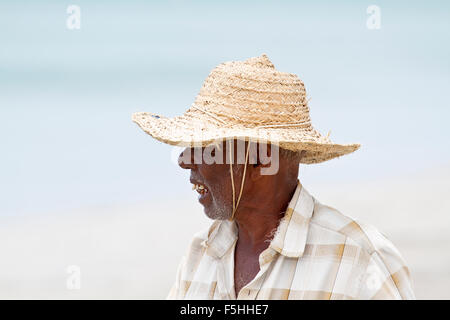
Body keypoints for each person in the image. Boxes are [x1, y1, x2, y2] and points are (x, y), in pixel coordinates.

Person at [132, 54, 415, 299]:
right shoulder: (201, 253)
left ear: (261, 159)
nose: (184, 160)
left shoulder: (359, 257)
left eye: (204, 148)